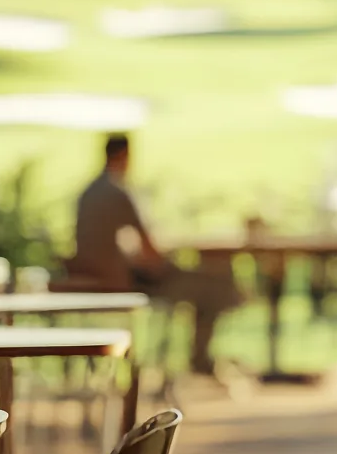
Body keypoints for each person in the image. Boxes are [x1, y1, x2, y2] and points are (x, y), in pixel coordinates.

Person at [71, 134, 242, 375]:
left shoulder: (88, 192)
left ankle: (199, 360)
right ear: (124, 155)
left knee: (206, 284)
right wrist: (167, 262)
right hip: (126, 282)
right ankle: (200, 360)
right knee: (217, 287)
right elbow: (150, 249)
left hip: (98, 274)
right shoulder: (119, 192)